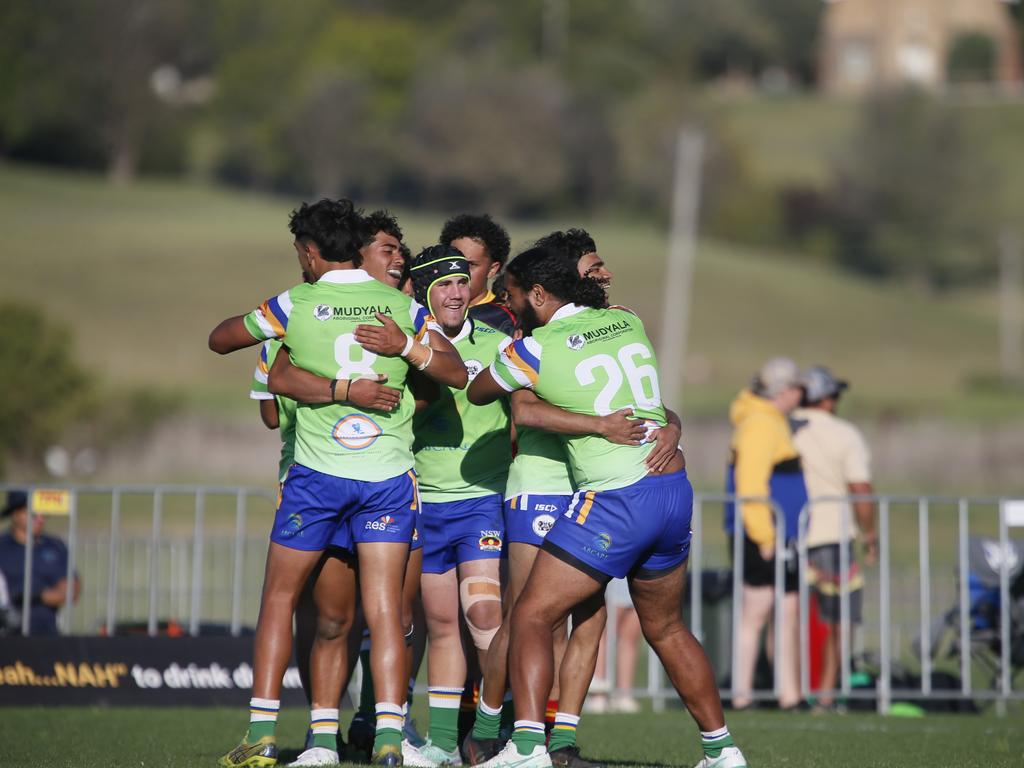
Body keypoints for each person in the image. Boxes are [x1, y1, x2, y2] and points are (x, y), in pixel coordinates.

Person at [209, 197, 467, 768]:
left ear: (307, 251)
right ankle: (388, 741)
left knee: (282, 601)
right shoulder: (399, 306)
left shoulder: (295, 301)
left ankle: (262, 735)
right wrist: (406, 346)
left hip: (316, 480)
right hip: (387, 481)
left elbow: (220, 339)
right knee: (385, 616)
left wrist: (271, 329)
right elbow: (455, 372)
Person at [468, 247, 746, 768]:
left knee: (530, 613)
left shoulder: (535, 347)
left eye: (516, 295)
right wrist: (675, 425)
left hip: (617, 498)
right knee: (666, 628)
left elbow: (480, 390)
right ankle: (722, 750)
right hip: (671, 488)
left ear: (540, 294)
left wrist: (515, 360)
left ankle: (525, 749)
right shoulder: (625, 321)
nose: (511, 305)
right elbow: (653, 405)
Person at [398, 245, 511, 767]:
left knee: (484, 614)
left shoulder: (497, 342)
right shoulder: (407, 347)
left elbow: (529, 408)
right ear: (424, 291)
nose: (458, 292)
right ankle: (443, 743)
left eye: (463, 282)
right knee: (441, 625)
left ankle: (490, 731)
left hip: (482, 502)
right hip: (426, 502)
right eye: (444, 284)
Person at [724, 357, 808, 711]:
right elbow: (751, 485)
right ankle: (741, 693)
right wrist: (765, 536)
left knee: (786, 612)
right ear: (782, 391)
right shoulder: (760, 423)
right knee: (756, 613)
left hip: (781, 534)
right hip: (763, 535)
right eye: (794, 387)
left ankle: (788, 693)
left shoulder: (771, 421)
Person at [791, 366, 876, 711]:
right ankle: (825, 693)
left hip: (790, 534)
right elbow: (860, 488)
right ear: (825, 398)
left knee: (788, 617)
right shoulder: (845, 434)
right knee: (841, 618)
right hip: (832, 535)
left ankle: (789, 690)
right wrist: (869, 533)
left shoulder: (784, 426)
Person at [0, 490, 80, 636]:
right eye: (33, 514)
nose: (40, 519)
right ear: (15, 514)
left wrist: (36, 596)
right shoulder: (2, 547)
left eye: (44, 514)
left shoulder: (55, 546)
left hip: (46, 635)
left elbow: (70, 591)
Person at [440, 214, 517, 334]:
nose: (460, 271)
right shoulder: (426, 310)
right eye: (454, 262)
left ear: (492, 269)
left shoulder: (504, 319)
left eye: (470, 265)